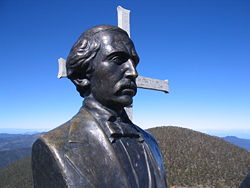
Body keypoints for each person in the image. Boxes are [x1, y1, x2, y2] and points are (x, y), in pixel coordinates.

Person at [32, 25, 167, 188]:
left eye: (134, 63)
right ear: (82, 76)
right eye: (117, 60)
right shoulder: (52, 146)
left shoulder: (151, 142)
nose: (133, 72)